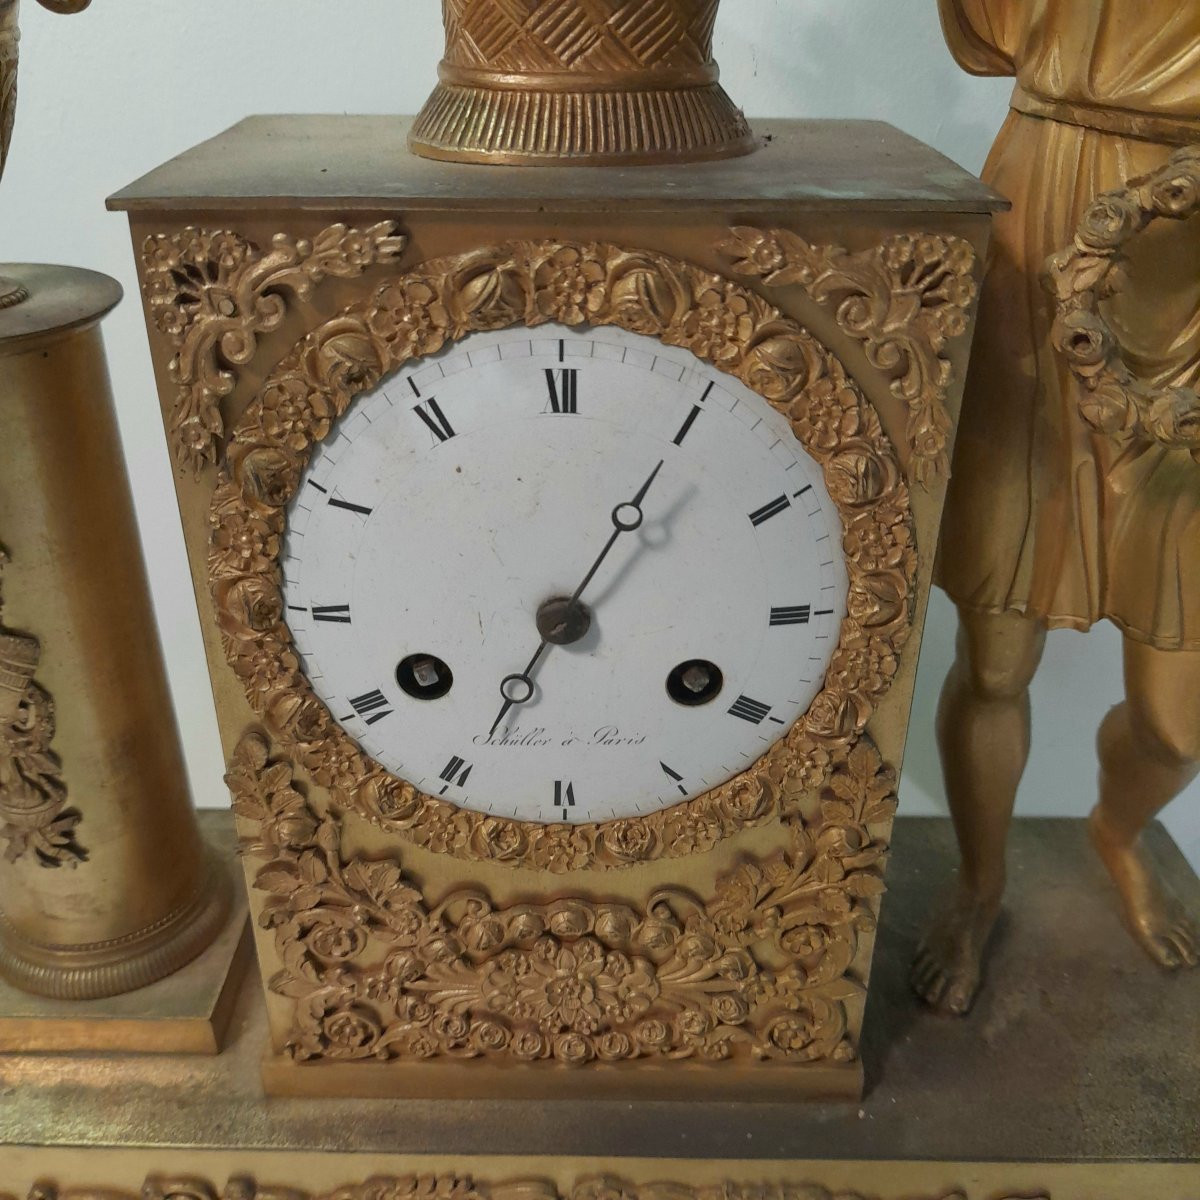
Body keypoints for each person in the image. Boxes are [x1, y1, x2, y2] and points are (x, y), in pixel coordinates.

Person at [916, 0, 1200, 1014]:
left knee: (1178, 724)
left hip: (1192, 261)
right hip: (1044, 215)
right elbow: (989, 32)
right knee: (996, 653)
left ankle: (1116, 830)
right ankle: (977, 885)